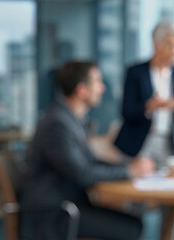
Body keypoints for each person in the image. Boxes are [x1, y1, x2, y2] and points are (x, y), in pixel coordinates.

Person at [20, 61, 155, 240]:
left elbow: (90, 163)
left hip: (68, 207)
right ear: (82, 90)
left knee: (133, 220)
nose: (102, 88)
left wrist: (130, 167)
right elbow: (82, 174)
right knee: (131, 227)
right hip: (53, 215)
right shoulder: (57, 124)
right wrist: (129, 171)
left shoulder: (70, 119)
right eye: (97, 82)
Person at [114, 21, 174, 168]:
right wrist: (149, 106)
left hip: (166, 143)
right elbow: (126, 112)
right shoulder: (136, 72)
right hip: (138, 143)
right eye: (171, 45)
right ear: (157, 44)